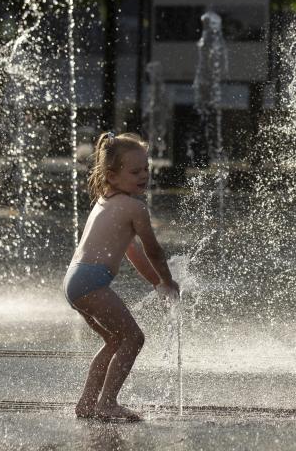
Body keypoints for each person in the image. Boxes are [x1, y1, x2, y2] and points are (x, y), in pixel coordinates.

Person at [63, 132, 180, 421]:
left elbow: (134, 253)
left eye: (146, 169)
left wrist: (155, 284)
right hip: (91, 281)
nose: (143, 176)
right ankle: (107, 403)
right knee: (134, 338)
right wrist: (168, 281)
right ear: (112, 176)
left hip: (74, 281)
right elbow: (153, 250)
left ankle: (88, 403)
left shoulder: (107, 201)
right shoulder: (135, 208)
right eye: (135, 171)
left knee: (116, 340)